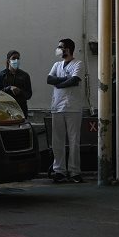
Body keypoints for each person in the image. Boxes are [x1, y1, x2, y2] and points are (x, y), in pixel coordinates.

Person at [47, 38, 85, 183]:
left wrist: (59, 83)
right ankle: (59, 171)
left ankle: (74, 171)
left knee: (74, 140)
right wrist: (65, 80)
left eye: (60, 47)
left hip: (73, 107)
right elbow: (49, 79)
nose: (58, 49)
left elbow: (74, 80)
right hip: (57, 106)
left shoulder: (78, 63)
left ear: (68, 49)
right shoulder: (56, 65)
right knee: (57, 141)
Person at [0, 50, 32, 117]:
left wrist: (20, 91)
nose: (16, 60)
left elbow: (29, 94)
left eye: (18, 58)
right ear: (8, 61)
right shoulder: (2, 75)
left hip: (21, 109)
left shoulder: (24, 75)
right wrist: (9, 88)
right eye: (14, 58)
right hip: (6, 108)